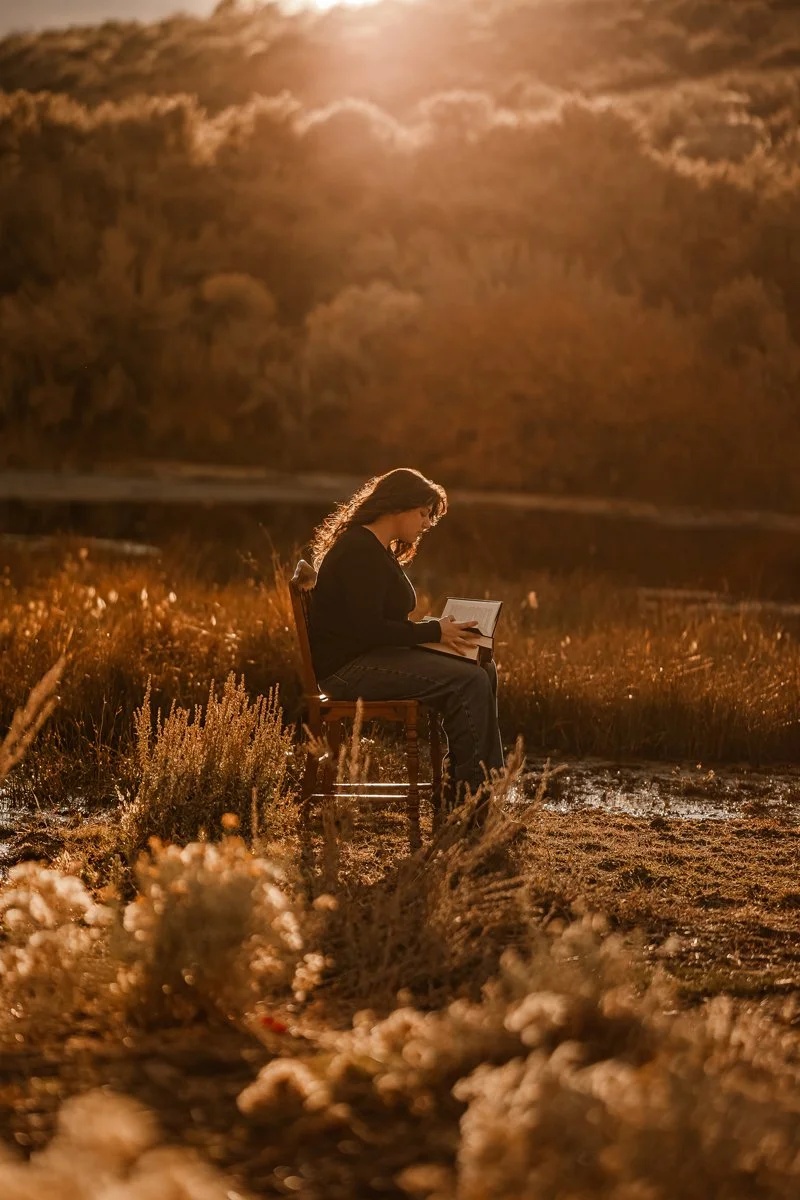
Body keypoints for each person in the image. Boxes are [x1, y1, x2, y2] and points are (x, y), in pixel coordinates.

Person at [308, 467, 504, 803]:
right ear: (399, 506)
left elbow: (375, 624)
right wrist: (433, 631)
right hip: (347, 670)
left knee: (482, 668)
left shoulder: (375, 547)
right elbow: (368, 630)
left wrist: (436, 634)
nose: (427, 524)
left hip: (369, 657)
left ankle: (464, 785)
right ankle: (476, 802)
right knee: (468, 681)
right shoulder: (359, 550)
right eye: (423, 514)